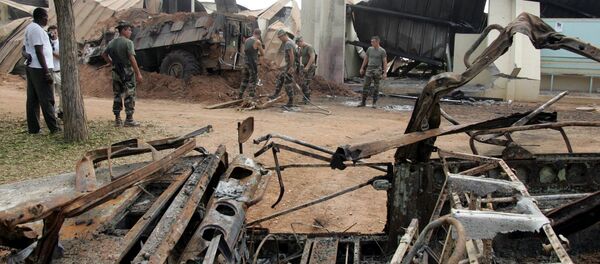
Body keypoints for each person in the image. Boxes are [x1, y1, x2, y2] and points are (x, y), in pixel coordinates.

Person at [24, 8, 61, 134]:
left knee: (33, 98)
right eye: (46, 17)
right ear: (41, 17)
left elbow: (25, 48)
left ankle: (34, 129)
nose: (47, 19)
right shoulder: (37, 30)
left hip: (33, 67)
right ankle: (54, 128)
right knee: (47, 98)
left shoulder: (30, 28)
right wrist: (46, 72)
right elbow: (39, 52)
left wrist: (26, 55)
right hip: (41, 68)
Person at [102, 21, 143, 127]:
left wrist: (112, 63)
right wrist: (138, 73)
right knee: (129, 94)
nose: (130, 32)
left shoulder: (111, 43)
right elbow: (132, 58)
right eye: (129, 29)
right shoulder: (128, 43)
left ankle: (117, 119)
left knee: (117, 95)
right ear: (123, 30)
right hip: (127, 72)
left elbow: (104, 54)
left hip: (116, 72)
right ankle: (129, 120)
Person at [269, 29, 296, 107]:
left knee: (288, 84)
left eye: (280, 37)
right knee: (280, 77)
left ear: (284, 35)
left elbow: (292, 56)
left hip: (291, 65)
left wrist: (291, 67)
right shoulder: (290, 42)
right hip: (290, 65)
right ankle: (275, 94)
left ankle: (290, 102)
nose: (280, 39)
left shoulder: (288, 43)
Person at [359, 36, 387, 108]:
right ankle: (363, 102)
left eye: (373, 42)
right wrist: (362, 68)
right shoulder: (369, 49)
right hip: (369, 69)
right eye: (371, 42)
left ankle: (374, 103)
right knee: (365, 85)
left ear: (378, 42)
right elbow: (366, 59)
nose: (371, 43)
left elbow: (384, 62)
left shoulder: (382, 51)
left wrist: (385, 73)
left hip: (377, 69)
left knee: (376, 87)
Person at [238, 28, 265, 99]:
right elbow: (262, 53)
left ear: (253, 33)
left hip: (245, 63)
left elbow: (246, 51)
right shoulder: (257, 41)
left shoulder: (246, 40)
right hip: (252, 64)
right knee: (253, 80)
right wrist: (258, 54)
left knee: (245, 79)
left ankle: (240, 95)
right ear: (259, 35)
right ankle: (251, 97)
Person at [295, 37, 317, 104]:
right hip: (305, 66)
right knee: (303, 82)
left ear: (301, 41)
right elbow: (299, 55)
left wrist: (307, 67)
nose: (298, 45)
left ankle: (307, 99)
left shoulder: (309, 47)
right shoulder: (302, 48)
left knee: (306, 82)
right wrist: (297, 50)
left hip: (310, 67)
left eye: (298, 44)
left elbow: (312, 57)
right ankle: (305, 98)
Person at [48, 25, 63, 119]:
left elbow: (61, 56)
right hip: (49, 71)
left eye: (54, 32)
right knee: (51, 94)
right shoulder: (46, 43)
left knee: (61, 92)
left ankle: (61, 111)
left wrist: (51, 52)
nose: (53, 34)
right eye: (51, 32)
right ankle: (53, 113)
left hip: (58, 71)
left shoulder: (60, 43)